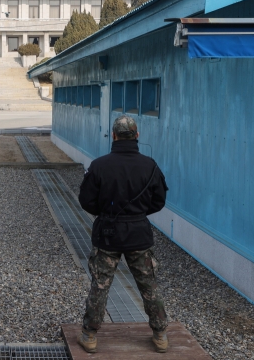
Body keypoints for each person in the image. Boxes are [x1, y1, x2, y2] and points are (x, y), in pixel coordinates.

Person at [77, 115, 169, 354]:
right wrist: (137, 214)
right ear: (137, 136)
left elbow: (86, 201)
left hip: (107, 234)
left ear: (114, 136)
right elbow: (159, 201)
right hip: (139, 234)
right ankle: (160, 335)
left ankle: (90, 335)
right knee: (149, 285)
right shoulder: (150, 166)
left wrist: (107, 213)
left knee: (100, 284)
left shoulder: (99, 165)